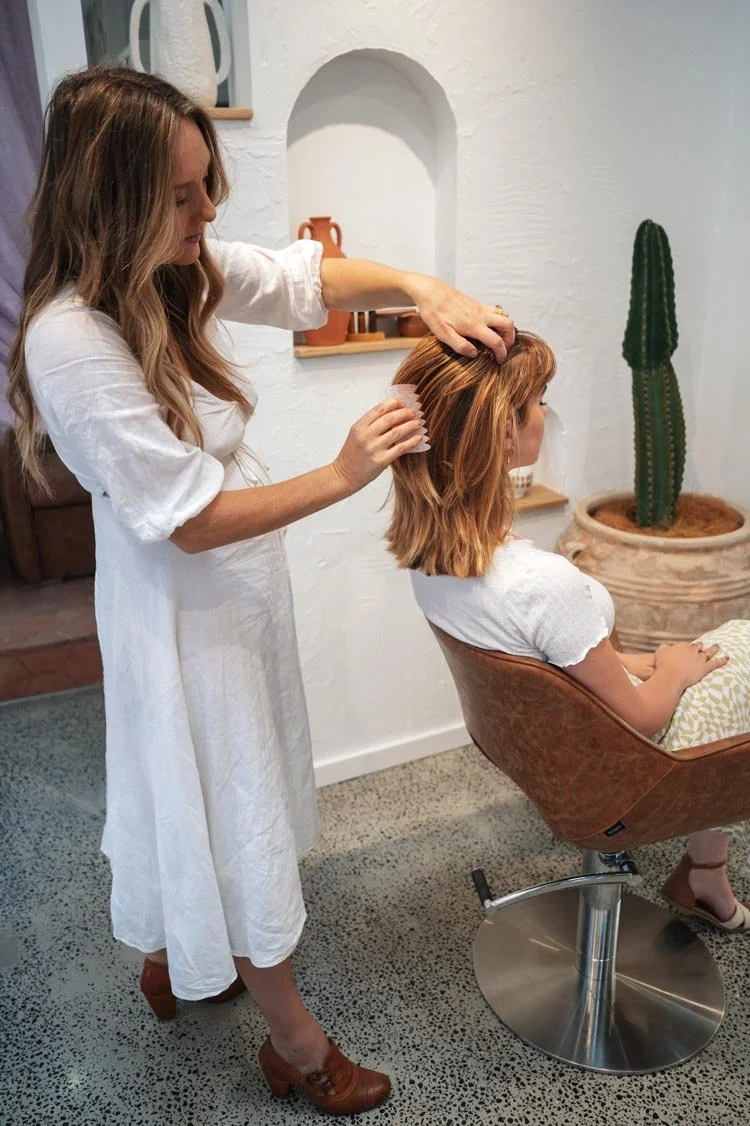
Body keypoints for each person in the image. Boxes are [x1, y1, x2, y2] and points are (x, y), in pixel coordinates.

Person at [7, 66, 516, 1117]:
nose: (208, 212)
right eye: (184, 196)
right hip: (180, 606)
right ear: (112, 204)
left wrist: (425, 290)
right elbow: (188, 519)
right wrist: (342, 473)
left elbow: (301, 280)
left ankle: (174, 947)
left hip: (229, 589)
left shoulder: (166, 268)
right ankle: (295, 1043)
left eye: (207, 184)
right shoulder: (70, 339)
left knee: (181, 783)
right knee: (222, 797)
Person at [386, 331, 750, 936]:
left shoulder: (432, 558)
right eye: (538, 400)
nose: (545, 411)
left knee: (729, 643)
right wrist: (677, 671)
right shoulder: (541, 583)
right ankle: (707, 871)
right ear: (502, 430)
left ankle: (706, 874)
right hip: (620, 764)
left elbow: (564, 666)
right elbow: (640, 720)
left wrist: (648, 660)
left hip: (544, 749)